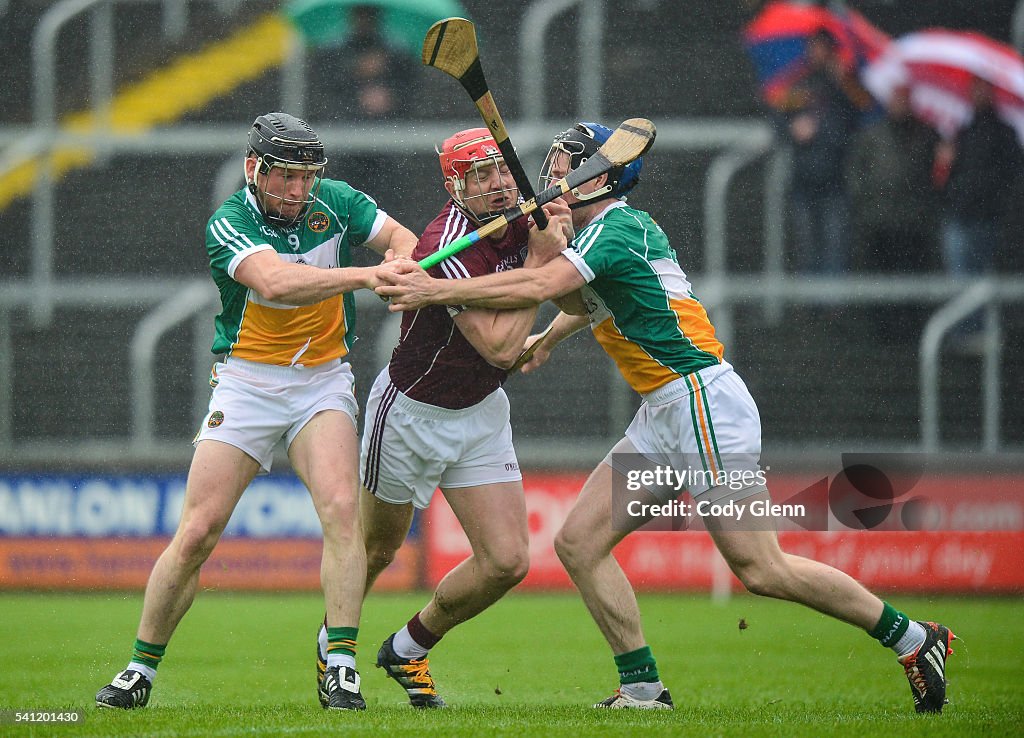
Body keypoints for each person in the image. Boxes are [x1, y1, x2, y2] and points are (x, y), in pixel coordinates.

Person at [375, 121, 956, 713]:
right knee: (578, 543)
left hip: (700, 402)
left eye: (562, 165)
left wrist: (435, 292)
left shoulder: (613, 228)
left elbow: (547, 280)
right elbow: (589, 297)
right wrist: (550, 335)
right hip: (663, 412)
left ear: (597, 176)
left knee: (761, 567)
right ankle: (644, 689)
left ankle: (913, 639)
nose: (549, 175)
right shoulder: (597, 234)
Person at [94, 112, 418, 712]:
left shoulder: (338, 202)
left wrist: (400, 262)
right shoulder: (230, 222)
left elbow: (404, 240)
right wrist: (372, 275)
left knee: (344, 512)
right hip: (246, 385)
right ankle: (139, 667)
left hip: (322, 382)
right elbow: (273, 283)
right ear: (254, 169)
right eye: (285, 177)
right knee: (196, 533)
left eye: (307, 176)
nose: (298, 190)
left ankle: (340, 664)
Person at [312, 128, 573, 708]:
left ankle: (406, 648)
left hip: (481, 411)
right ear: (455, 185)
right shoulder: (447, 241)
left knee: (506, 561)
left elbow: (577, 294)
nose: (500, 183)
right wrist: (539, 260)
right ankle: (337, 653)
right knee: (377, 550)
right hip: (410, 414)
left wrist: (558, 248)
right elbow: (503, 349)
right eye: (481, 175)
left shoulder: (529, 217)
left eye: (503, 170)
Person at [935, 76, 1024, 344]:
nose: (979, 94)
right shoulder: (960, 131)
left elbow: (1012, 175)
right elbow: (943, 177)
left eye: (984, 88)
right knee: (960, 275)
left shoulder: (1004, 131)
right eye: (975, 89)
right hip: (960, 214)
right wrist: (944, 161)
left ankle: (982, 332)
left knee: (984, 278)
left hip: (989, 217)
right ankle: (964, 332)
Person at [781, 29, 873, 276]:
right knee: (807, 247)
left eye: (822, 47)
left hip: (836, 178)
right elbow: (779, 119)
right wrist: (794, 129)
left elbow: (865, 111)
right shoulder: (799, 83)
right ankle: (812, 309)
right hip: (805, 178)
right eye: (813, 47)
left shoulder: (846, 83)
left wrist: (844, 82)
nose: (817, 53)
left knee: (836, 246)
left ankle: (834, 309)